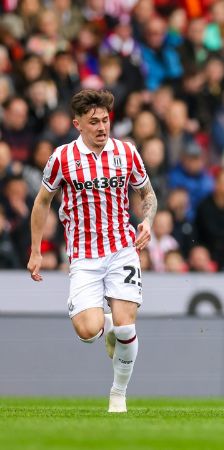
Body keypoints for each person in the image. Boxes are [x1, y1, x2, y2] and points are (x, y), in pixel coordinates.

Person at [27, 89, 157, 414]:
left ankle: (118, 395)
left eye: (105, 120)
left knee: (128, 327)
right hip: (84, 255)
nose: (102, 127)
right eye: (94, 121)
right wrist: (36, 250)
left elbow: (147, 194)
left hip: (122, 249)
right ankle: (107, 326)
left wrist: (148, 221)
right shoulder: (62, 158)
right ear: (78, 124)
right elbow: (42, 201)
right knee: (89, 331)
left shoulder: (126, 153)